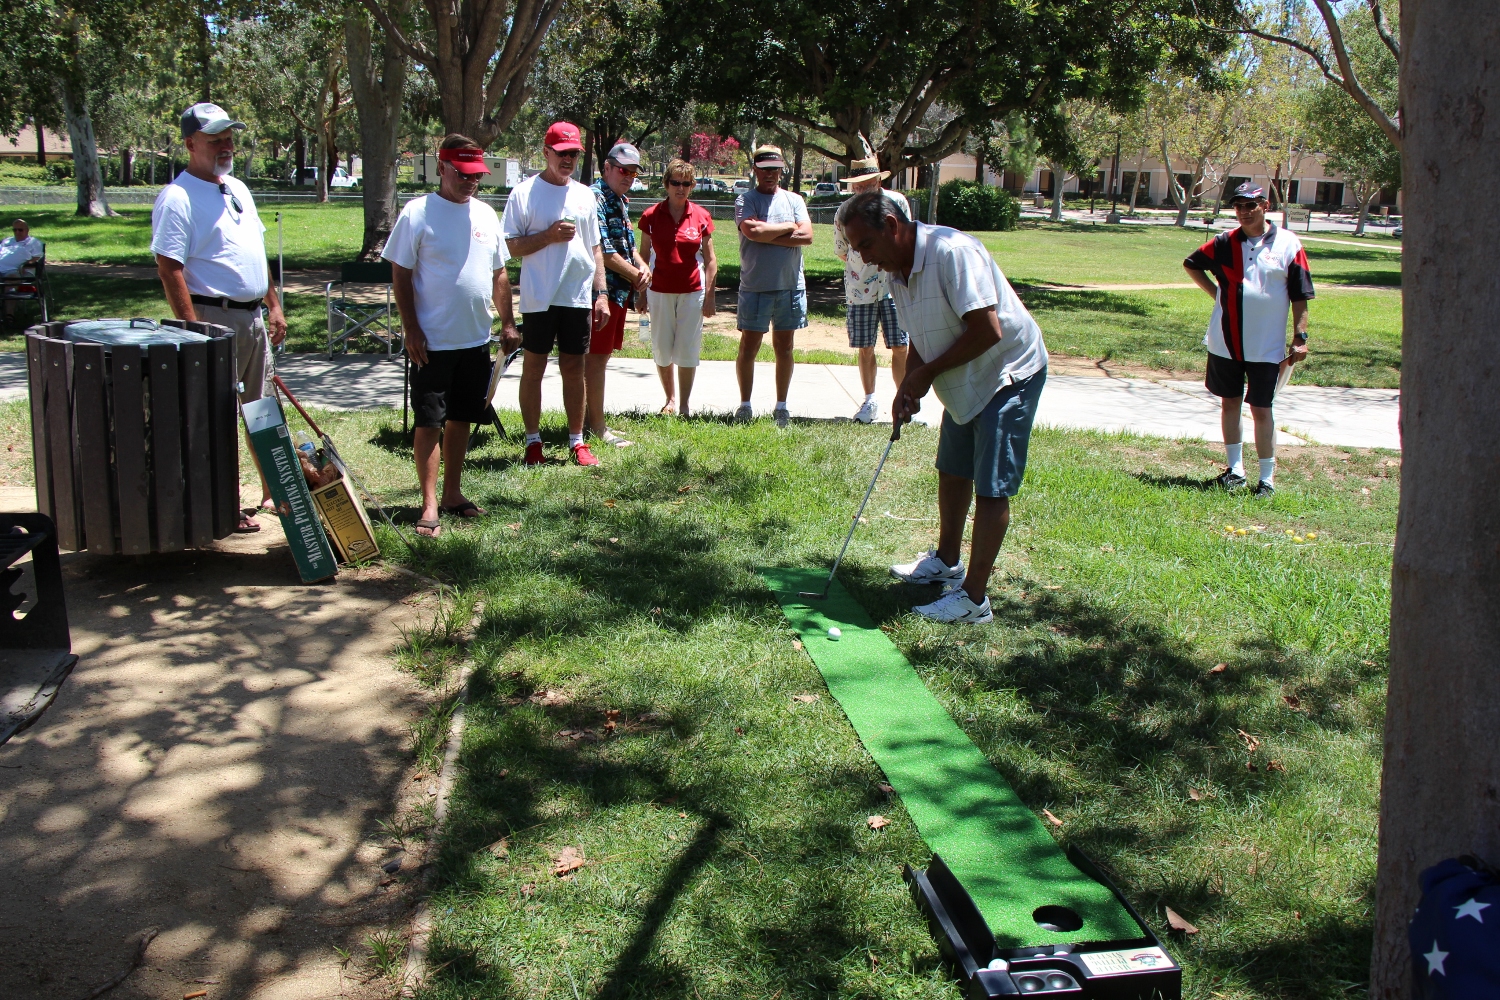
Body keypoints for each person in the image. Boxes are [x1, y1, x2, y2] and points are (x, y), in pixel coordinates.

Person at [837, 190, 1049, 625]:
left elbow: (987, 330)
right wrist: (909, 385)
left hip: (1007, 371)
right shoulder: (895, 269)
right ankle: (948, 562)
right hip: (964, 378)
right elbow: (921, 333)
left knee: (991, 486)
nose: (866, 259)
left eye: (866, 246)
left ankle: (974, 599)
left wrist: (927, 373)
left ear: (892, 227)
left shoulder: (953, 252)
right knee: (953, 469)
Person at [151, 102, 287, 534]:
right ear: (191, 144)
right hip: (212, 318)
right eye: (216, 140)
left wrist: (274, 303)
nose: (226, 146)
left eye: (229, 138)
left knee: (263, 410)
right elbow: (169, 267)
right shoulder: (178, 197)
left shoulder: (238, 188)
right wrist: (194, 331)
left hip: (252, 319)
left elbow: (255, 253)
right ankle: (224, 503)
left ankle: (273, 492)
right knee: (216, 417)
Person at [382, 134, 519, 539]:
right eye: (462, 174)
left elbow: (498, 274)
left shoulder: (485, 214)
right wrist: (412, 328)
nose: (471, 182)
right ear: (441, 168)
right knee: (429, 423)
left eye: (477, 175)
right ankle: (428, 504)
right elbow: (401, 273)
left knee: (461, 419)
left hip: (475, 340)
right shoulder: (417, 213)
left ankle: (453, 495)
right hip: (432, 344)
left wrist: (508, 324)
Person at [1183, 180, 1313, 497]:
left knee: (1261, 408)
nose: (1243, 211)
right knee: (1229, 403)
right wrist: (1218, 296)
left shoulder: (1288, 244)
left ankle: (1266, 479)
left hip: (1266, 346)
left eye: (1250, 205)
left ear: (1265, 206)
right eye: (1238, 206)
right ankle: (1235, 471)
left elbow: (1300, 295)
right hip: (1225, 342)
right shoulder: (1224, 242)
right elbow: (1191, 264)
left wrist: (1300, 336)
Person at [501, 121, 611, 466]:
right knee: (533, 367)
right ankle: (533, 443)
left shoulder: (584, 195)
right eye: (562, 153)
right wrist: (547, 236)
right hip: (539, 296)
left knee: (574, 367)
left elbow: (595, 248)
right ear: (546, 152)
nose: (568, 160)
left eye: (573, 154)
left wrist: (602, 293)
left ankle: (577, 442)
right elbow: (510, 247)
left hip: (576, 295)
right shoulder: (523, 193)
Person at [734, 145, 812, 427]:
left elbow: (807, 236)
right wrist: (788, 227)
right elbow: (752, 231)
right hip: (755, 286)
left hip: (790, 286)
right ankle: (745, 405)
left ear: (782, 170)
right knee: (749, 346)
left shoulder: (794, 200)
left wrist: (767, 234)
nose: (770, 174)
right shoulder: (746, 200)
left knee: (785, 347)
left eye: (775, 169)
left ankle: (781, 407)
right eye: (765, 169)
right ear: (755, 170)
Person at [834, 154, 911, 423]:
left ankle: (903, 402)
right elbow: (842, 251)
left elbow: (906, 238)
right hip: (859, 289)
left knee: (900, 346)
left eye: (865, 184)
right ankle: (870, 402)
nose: (859, 190)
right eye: (855, 185)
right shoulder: (844, 212)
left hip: (894, 288)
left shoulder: (897, 202)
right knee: (865, 346)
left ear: (878, 180)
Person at [638, 158, 717, 416]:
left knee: (687, 348)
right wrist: (640, 293)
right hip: (658, 290)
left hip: (692, 290)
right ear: (666, 184)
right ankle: (669, 399)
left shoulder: (701, 216)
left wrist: (710, 297)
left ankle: (684, 405)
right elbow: (642, 255)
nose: (680, 188)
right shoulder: (650, 216)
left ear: (692, 186)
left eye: (685, 183)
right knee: (662, 347)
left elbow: (711, 260)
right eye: (675, 183)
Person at [587, 141, 650, 447]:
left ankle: (591, 421)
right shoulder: (595, 197)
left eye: (633, 172)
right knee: (595, 360)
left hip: (619, 292)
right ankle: (597, 428)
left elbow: (629, 246)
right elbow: (605, 252)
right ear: (607, 168)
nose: (628, 176)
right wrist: (636, 274)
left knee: (602, 357)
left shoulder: (619, 199)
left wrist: (641, 266)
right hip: (601, 293)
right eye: (623, 170)